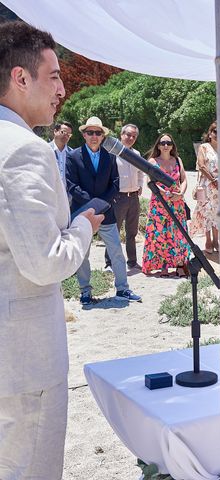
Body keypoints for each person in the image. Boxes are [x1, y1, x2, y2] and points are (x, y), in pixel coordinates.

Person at [0, 21, 102, 479]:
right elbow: (44, 263)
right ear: (21, 78)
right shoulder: (23, 149)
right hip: (22, 364)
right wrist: (82, 227)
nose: (63, 88)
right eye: (54, 75)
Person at [66, 116, 142, 305]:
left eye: (98, 133)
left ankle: (123, 289)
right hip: (82, 213)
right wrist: (92, 204)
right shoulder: (73, 156)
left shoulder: (110, 156)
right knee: (83, 254)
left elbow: (115, 183)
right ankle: (85, 292)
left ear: (103, 136)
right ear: (84, 135)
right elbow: (71, 185)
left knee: (116, 250)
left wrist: (101, 203)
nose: (94, 136)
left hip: (106, 211)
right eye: (90, 132)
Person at [142, 133, 190, 276]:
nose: (165, 145)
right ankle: (163, 265)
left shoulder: (178, 160)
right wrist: (164, 193)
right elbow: (149, 182)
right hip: (159, 203)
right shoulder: (152, 161)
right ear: (158, 145)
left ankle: (180, 264)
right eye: (162, 143)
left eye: (168, 143)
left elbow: (184, 179)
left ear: (172, 146)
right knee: (161, 235)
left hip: (177, 203)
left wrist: (180, 194)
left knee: (178, 233)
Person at [104, 123, 144, 271]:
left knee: (131, 232)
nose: (130, 138)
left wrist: (140, 186)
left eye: (134, 136)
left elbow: (140, 172)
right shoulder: (112, 153)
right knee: (113, 231)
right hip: (118, 198)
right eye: (128, 134)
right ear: (121, 135)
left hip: (133, 198)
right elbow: (106, 175)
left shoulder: (137, 154)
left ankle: (132, 262)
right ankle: (109, 262)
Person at [190, 121, 220, 254]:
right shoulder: (204, 147)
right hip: (207, 185)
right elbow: (201, 166)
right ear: (210, 133)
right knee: (207, 212)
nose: (218, 135)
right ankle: (208, 239)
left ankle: (216, 240)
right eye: (215, 132)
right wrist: (213, 180)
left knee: (218, 212)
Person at [49, 120, 73, 189]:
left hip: (67, 197)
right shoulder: (45, 149)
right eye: (63, 132)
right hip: (48, 195)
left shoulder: (72, 153)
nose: (66, 136)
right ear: (55, 131)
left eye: (69, 134)